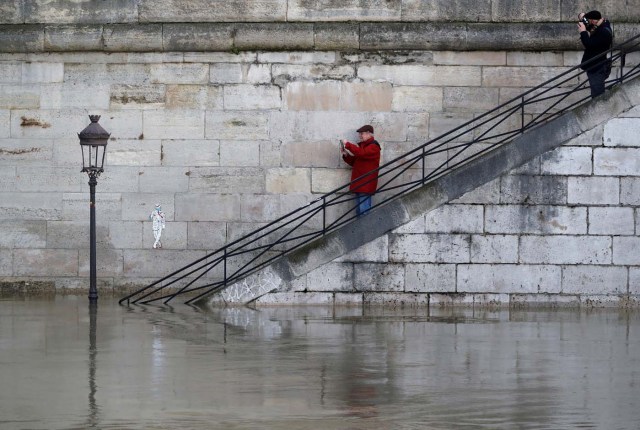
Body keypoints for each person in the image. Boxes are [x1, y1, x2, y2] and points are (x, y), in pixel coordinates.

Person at [341, 125, 381, 216]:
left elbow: (362, 154)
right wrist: (346, 155)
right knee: (360, 211)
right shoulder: (363, 147)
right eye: (360, 134)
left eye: (361, 134)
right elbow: (354, 162)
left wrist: (348, 144)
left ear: (368, 134)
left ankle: (366, 230)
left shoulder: (374, 146)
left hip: (366, 184)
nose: (360, 136)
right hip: (360, 183)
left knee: (364, 211)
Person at [578, 10, 613, 98]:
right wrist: (582, 17)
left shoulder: (604, 32)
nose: (587, 23)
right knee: (596, 91)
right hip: (596, 65)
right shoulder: (600, 25)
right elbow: (590, 26)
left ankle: (600, 110)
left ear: (593, 21)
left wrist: (583, 31)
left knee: (597, 95)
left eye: (588, 20)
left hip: (597, 67)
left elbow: (589, 44)